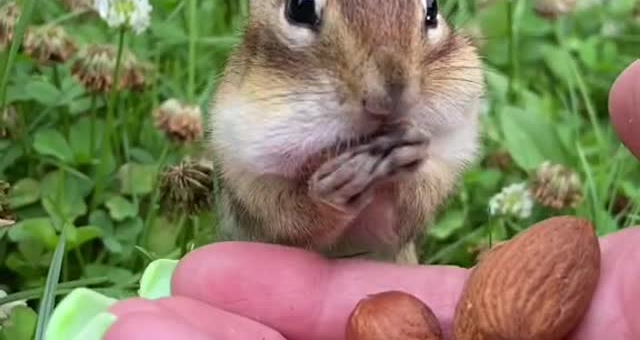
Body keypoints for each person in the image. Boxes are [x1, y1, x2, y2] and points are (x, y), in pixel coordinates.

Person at [104, 60, 640, 340]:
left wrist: (412, 177)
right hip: (275, 277)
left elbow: (407, 222)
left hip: (389, 283)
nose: (391, 89)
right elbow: (264, 214)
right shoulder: (252, 110)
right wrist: (318, 205)